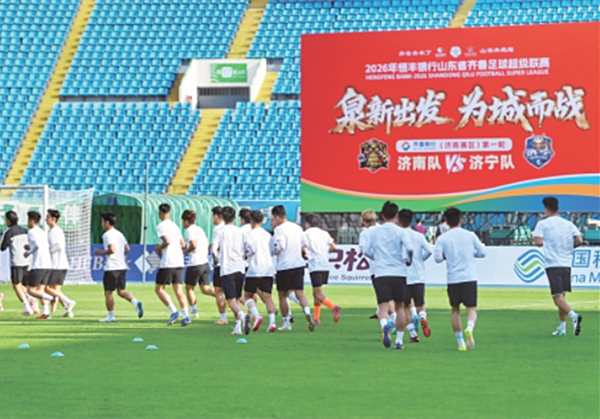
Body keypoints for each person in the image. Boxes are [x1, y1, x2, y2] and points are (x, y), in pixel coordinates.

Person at [434, 207, 486, 351]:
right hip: (469, 277)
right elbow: (482, 252)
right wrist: (471, 254)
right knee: (471, 309)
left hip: (453, 278)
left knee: (455, 310)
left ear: (446, 221)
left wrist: (448, 256)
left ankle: (460, 342)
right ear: (461, 220)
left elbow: (437, 258)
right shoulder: (470, 235)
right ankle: (469, 327)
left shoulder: (442, 238)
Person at [363, 201, 413, 349]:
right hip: (398, 272)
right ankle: (399, 341)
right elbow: (410, 248)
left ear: (382, 215)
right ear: (396, 215)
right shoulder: (401, 231)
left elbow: (365, 250)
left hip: (381, 272)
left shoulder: (374, 231)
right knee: (400, 307)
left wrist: (376, 258)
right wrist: (408, 259)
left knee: (383, 307)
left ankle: (384, 324)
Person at [533, 197, 583, 336]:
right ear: (558, 208)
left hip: (553, 264)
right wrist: (568, 247)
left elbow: (538, 242)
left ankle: (574, 316)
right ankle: (562, 327)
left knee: (557, 299)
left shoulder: (543, 224)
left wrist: (549, 243)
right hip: (566, 263)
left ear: (546, 209)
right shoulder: (568, 224)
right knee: (562, 297)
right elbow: (579, 240)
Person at [270, 205, 315, 332]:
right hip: (298, 264)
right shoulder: (297, 227)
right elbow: (304, 244)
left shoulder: (279, 229)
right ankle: (307, 312)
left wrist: (275, 250)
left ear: (277, 217)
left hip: (285, 265)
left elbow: (281, 246)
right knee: (300, 293)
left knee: (282, 295)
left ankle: (286, 323)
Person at [212, 206, 255, 335]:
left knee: (230, 300)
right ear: (234, 217)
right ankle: (238, 327)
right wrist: (245, 256)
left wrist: (216, 259)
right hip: (240, 268)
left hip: (227, 268)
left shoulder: (219, 231)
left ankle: (242, 315)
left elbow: (214, 250)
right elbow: (252, 249)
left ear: (222, 217)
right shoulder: (241, 231)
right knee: (236, 298)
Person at [95, 212, 143, 322]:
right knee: (121, 291)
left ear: (107, 222)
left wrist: (100, 252)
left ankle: (110, 316)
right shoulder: (119, 234)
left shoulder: (107, 235)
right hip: (122, 266)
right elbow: (127, 249)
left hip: (112, 267)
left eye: (103, 221)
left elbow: (112, 249)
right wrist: (119, 254)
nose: (102, 224)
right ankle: (135, 303)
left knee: (108, 292)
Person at [399, 209, 432, 341]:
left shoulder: (398, 235)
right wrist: (420, 260)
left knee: (404, 307)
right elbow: (429, 251)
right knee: (420, 304)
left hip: (404, 276)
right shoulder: (418, 236)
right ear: (411, 220)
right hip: (418, 276)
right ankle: (423, 317)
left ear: (399, 220)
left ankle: (413, 334)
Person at [154, 203, 189, 326]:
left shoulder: (160, 226)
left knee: (159, 289)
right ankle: (186, 316)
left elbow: (167, 241)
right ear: (169, 213)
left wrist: (159, 247)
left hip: (168, 261)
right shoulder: (175, 226)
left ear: (160, 213)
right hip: (179, 260)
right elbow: (182, 244)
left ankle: (174, 311)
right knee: (179, 291)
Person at [302, 213, 340, 325]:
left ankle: (333, 307)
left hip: (315, 265)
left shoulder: (306, 234)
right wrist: (325, 252)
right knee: (316, 292)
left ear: (307, 223)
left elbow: (303, 248)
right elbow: (334, 247)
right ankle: (316, 318)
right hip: (325, 265)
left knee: (318, 293)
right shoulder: (324, 233)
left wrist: (306, 254)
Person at [181, 209, 219, 319]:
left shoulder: (189, 230)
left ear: (186, 221)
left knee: (189, 288)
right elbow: (207, 243)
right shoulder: (200, 229)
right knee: (205, 289)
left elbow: (193, 244)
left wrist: (184, 252)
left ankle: (194, 310)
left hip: (195, 264)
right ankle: (223, 296)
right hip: (205, 263)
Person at [244, 210, 277, 332]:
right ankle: (272, 323)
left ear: (251, 221)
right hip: (267, 269)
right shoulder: (268, 234)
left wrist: (245, 255)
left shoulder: (250, 234)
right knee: (268, 297)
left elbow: (251, 250)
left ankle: (257, 316)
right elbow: (273, 251)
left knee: (246, 296)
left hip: (254, 269)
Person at [45, 210, 76, 318]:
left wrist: (48, 251)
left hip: (56, 265)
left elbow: (59, 246)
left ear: (53, 219)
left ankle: (69, 301)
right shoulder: (56, 230)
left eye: (47, 217)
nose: (46, 219)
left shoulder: (55, 231)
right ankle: (68, 311)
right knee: (57, 290)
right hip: (62, 264)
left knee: (47, 288)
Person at [23, 211, 54, 320]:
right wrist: (30, 247)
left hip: (38, 265)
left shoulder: (31, 232)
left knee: (30, 290)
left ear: (32, 221)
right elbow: (41, 245)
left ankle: (51, 298)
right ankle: (46, 313)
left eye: (28, 220)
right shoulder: (42, 232)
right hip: (47, 264)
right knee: (40, 291)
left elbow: (36, 245)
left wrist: (28, 252)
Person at [1, 211, 32, 315]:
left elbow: (3, 247)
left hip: (17, 261)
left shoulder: (9, 232)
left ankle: (27, 307)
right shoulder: (25, 230)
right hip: (27, 260)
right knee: (24, 285)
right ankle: (32, 300)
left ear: (8, 221)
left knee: (16, 285)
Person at [210, 206, 228, 325]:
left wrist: (215, 258)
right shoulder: (232, 229)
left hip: (221, 264)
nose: (212, 218)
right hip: (232, 264)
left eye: (213, 216)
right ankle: (252, 312)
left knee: (219, 291)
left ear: (217, 216)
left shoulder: (217, 229)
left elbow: (214, 247)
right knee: (234, 292)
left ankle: (223, 318)